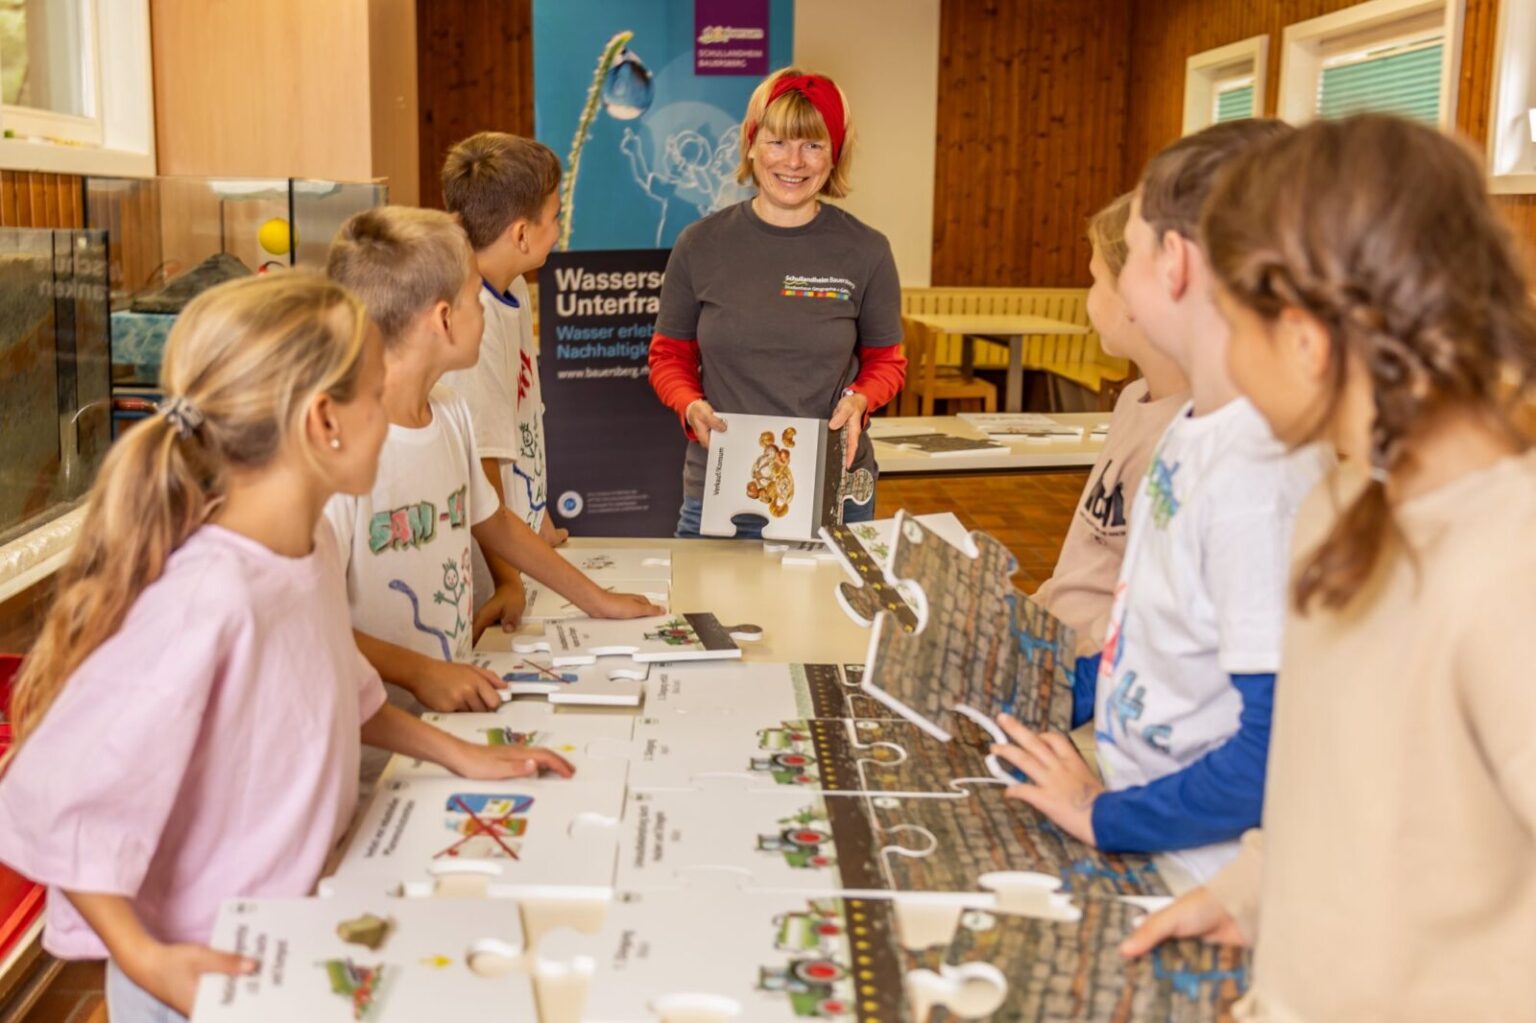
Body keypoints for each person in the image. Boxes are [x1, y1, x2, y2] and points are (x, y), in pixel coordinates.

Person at [0, 275, 573, 1022]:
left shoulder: (312, 540)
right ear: (324, 421)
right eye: (376, 393)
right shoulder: (205, 596)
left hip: (290, 937)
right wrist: (147, 960)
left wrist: (454, 752)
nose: (391, 416)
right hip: (201, 973)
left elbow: (338, 686)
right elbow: (59, 797)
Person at [1123, 114, 1536, 1022]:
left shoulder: (1508, 564)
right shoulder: (1337, 506)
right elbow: (1339, 777)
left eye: (1235, 322)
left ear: (1306, 343)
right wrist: (1254, 890)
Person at [993, 119, 1330, 883]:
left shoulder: (1257, 471)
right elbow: (1140, 634)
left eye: (1135, 243)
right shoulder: (1189, 423)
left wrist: (1101, 815)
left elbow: (1272, 749)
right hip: (1143, 820)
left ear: (1172, 264)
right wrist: (1033, 702)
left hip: (1194, 865)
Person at [324, 207, 661, 784]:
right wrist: (418, 671)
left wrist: (596, 600)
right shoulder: (340, 452)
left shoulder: (451, 409)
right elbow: (312, 622)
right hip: (371, 756)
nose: (487, 314)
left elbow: (493, 521)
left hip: (453, 721)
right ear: (445, 319)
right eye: (479, 300)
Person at [648, 67, 908, 538]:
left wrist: (863, 397)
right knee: (708, 612)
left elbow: (887, 362)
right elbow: (669, 356)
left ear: (835, 156)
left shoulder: (867, 250)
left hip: (834, 491)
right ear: (751, 144)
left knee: (825, 615)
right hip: (720, 489)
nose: (794, 161)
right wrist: (689, 404)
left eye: (813, 144)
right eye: (778, 142)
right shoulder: (699, 244)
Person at [1033, 191, 1189, 655]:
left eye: (1095, 279)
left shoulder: (1186, 436)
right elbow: (1086, 570)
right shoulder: (1133, 400)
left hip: (1085, 669)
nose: (1089, 297)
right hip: (1053, 639)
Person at [439, 132, 568, 639]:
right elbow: (483, 470)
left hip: (521, 551)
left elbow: (524, 420)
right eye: (555, 216)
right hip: (490, 578)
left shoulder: (513, 286)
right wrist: (508, 579)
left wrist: (538, 515)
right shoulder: (475, 321)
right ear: (520, 234)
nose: (559, 228)